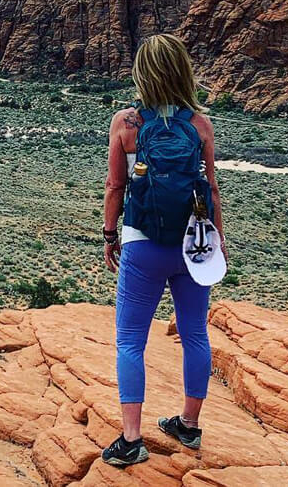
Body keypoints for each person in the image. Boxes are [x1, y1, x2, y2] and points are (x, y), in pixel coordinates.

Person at [100, 33, 227, 466]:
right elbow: (211, 187)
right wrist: (217, 238)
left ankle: (131, 440)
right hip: (194, 244)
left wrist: (108, 234)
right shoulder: (200, 125)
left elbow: (116, 185)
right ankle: (188, 427)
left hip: (142, 243)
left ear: (143, 74)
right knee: (194, 333)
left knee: (131, 339)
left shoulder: (127, 124)